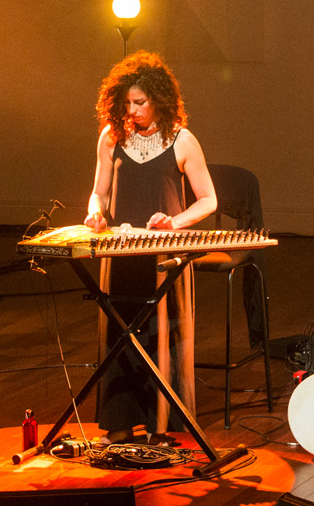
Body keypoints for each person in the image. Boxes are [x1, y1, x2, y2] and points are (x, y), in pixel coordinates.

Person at [84, 51, 218, 445]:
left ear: (158, 99)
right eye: (126, 102)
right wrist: (96, 214)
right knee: (119, 336)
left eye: (140, 102)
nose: (133, 110)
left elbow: (208, 200)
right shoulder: (112, 137)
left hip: (165, 257)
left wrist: (173, 222)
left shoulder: (182, 140)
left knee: (164, 335)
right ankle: (120, 423)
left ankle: (163, 425)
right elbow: (98, 192)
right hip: (122, 253)